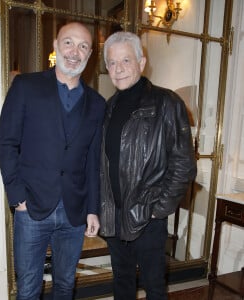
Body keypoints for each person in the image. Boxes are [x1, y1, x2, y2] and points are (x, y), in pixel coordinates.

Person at [0, 22, 105, 300]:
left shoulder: (97, 103)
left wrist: (92, 209)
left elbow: (92, 161)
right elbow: (7, 142)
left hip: (75, 213)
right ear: (56, 46)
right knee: (29, 288)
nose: (75, 51)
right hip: (31, 207)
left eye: (83, 46)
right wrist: (17, 196)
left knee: (65, 284)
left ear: (90, 54)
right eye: (68, 42)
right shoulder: (26, 86)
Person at [99, 31, 197, 300]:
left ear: (141, 63)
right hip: (115, 218)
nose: (118, 70)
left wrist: (158, 209)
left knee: (154, 288)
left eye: (126, 61)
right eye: (112, 63)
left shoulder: (167, 103)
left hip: (148, 218)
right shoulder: (108, 107)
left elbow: (184, 164)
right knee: (122, 283)